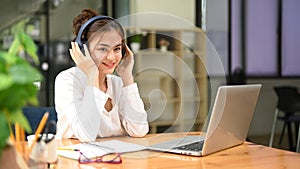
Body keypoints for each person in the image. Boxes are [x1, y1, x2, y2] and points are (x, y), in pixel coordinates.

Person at [54, 9, 149, 142]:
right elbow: (86, 134)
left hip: (116, 158)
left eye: (116, 49)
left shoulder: (117, 83)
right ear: (83, 50)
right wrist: (92, 75)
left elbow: (139, 130)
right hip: (76, 160)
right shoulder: (67, 80)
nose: (111, 57)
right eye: (102, 49)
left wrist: (127, 77)